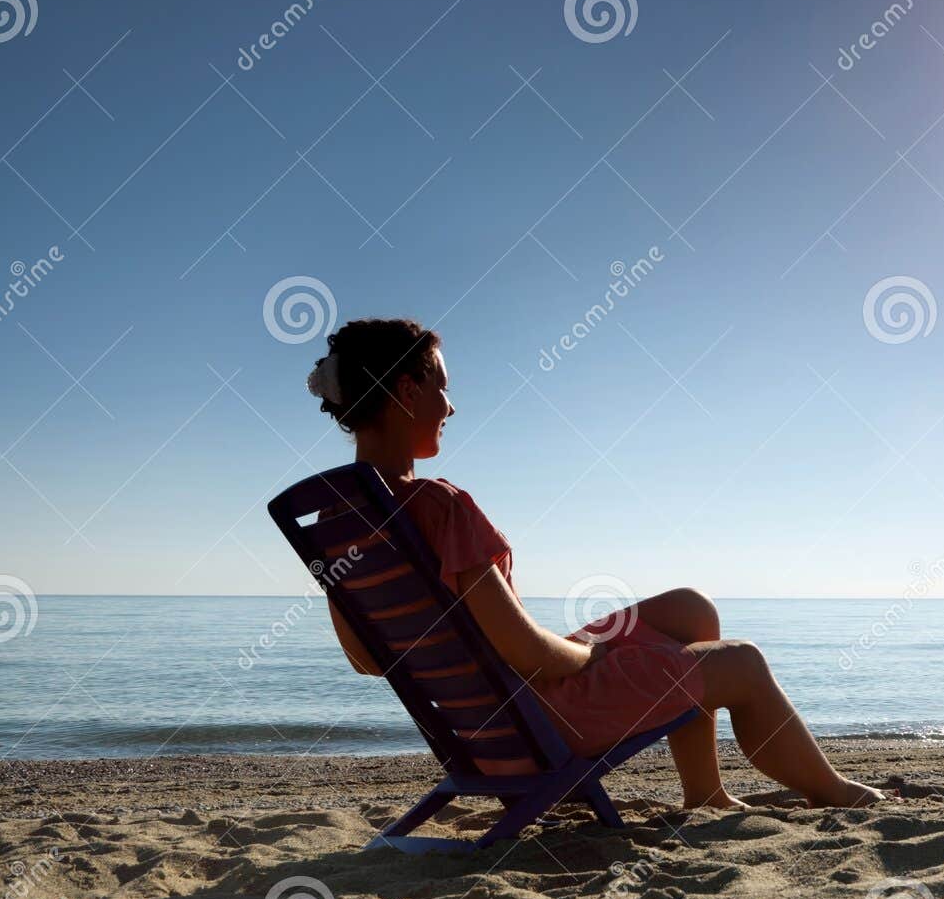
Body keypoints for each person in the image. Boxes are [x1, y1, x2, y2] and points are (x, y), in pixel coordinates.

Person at [307, 317, 887, 810]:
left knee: (689, 609)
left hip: (482, 730)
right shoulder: (439, 507)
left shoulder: (339, 521)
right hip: (538, 721)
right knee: (743, 663)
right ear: (407, 392)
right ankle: (837, 793)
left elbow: (368, 662)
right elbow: (529, 653)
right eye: (441, 387)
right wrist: (594, 655)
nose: (450, 406)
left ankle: (705, 795)